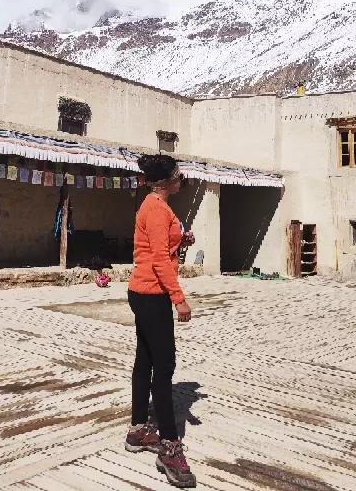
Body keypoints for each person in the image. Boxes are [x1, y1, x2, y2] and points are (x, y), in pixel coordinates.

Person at [125, 154, 197, 489]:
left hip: (145, 292)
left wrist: (182, 239)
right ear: (167, 180)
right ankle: (169, 446)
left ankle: (138, 429)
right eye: (179, 175)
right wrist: (178, 298)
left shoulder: (157, 206)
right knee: (164, 367)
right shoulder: (155, 209)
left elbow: (161, 245)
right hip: (153, 293)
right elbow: (157, 260)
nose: (182, 179)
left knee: (146, 361)